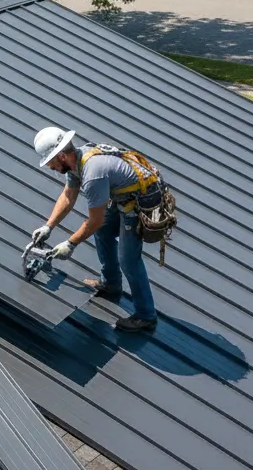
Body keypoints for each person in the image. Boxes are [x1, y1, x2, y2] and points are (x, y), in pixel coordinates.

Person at [31, 126, 158, 332]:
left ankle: (146, 316)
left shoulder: (93, 174)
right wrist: (48, 226)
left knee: (128, 259)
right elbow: (68, 196)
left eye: (51, 162)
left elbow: (95, 220)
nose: (50, 167)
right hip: (122, 197)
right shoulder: (76, 163)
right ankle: (111, 284)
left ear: (61, 156)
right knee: (104, 231)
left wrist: (70, 244)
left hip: (139, 203)